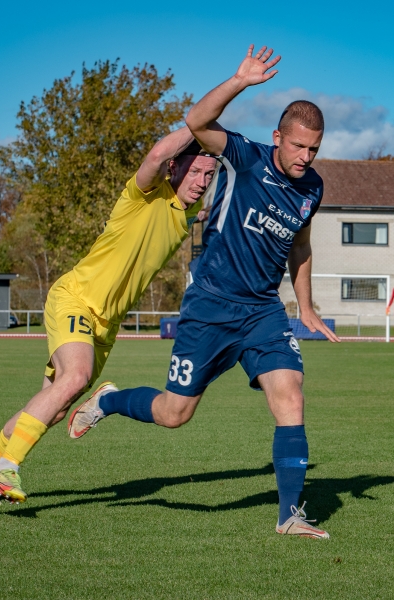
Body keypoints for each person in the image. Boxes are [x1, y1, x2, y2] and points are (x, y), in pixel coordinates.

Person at [66, 45, 339, 539]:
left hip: (262, 313)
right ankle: (107, 402)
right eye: (298, 146)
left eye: (313, 149)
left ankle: (289, 516)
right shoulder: (244, 156)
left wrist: (305, 304)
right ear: (278, 137)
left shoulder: (312, 188)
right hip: (211, 305)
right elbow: (196, 120)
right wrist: (239, 81)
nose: (305, 157)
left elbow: (300, 243)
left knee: (290, 395)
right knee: (175, 414)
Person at [0, 127, 217, 505]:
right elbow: (156, 154)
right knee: (76, 376)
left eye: (209, 175)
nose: (202, 182)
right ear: (173, 168)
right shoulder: (143, 194)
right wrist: (205, 120)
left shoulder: (189, 211)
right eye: (195, 172)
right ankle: (7, 468)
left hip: (106, 325)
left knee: (55, 405)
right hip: (76, 299)